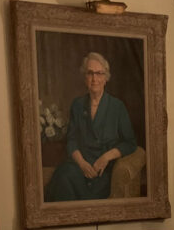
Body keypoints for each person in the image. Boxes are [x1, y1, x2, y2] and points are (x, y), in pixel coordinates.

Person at [46, 52, 137, 201]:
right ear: (85, 78)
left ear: (106, 78)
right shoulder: (77, 104)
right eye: (90, 73)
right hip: (79, 166)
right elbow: (72, 140)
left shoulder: (117, 106)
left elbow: (130, 143)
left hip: (102, 170)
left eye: (99, 73)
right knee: (62, 177)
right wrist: (81, 163)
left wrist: (106, 157)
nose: (94, 78)